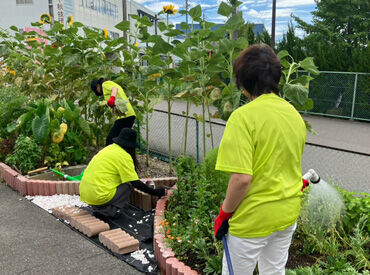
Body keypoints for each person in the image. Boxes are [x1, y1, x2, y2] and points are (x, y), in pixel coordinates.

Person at [214, 44, 307, 275]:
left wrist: (224, 214)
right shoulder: (294, 115)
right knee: (274, 271)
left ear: (243, 83)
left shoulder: (242, 118)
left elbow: (241, 179)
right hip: (286, 214)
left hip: (252, 221)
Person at [79, 128, 165, 219]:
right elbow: (135, 183)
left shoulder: (109, 148)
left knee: (118, 182)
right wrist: (155, 192)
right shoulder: (124, 156)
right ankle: (106, 212)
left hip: (86, 194)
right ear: (131, 145)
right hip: (98, 196)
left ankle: (99, 206)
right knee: (127, 186)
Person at [91, 78, 136, 146]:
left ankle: (109, 155)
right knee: (122, 142)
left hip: (125, 116)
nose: (98, 93)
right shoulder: (111, 83)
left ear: (97, 86)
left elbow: (114, 89)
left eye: (96, 90)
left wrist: (112, 98)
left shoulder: (104, 84)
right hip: (129, 115)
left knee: (110, 140)